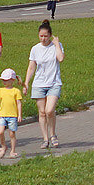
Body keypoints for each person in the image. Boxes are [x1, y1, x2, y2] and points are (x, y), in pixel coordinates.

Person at [24, 20, 64, 149]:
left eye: (46, 36)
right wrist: (26, 83)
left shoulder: (56, 46)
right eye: (41, 36)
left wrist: (57, 44)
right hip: (39, 83)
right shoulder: (35, 49)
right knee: (42, 112)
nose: (43, 38)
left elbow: (61, 58)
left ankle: (53, 135)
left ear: (50, 35)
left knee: (49, 110)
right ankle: (45, 138)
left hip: (54, 83)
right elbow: (31, 67)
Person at [0, 68, 23, 159]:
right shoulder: (0, 90)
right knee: (0, 131)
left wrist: (19, 115)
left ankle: (13, 151)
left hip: (12, 115)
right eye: (3, 80)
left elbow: (19, 103)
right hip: (2, 114)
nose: (4, 82)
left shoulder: (16, 91)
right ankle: (3, 146)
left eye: (6, 80)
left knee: (12, 134)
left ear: (12, 80)